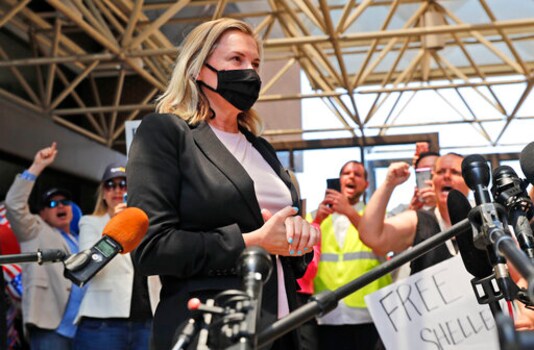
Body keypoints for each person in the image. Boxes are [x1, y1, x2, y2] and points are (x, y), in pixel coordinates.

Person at [127, 18, 319, 350]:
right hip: (211, 328)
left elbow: (280, 242)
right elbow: (150, 249)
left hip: (282, 326)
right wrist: (250, 242)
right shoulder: (166, 133)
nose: (251, 72)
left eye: (255, 63)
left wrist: (299, 236)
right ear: (199, 68)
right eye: (237, 60)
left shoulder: (261, 148)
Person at [4, 142, 84, 350]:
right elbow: (14, 204)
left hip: (86, 326)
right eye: (51, 203)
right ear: (41, 213)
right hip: (52, 326)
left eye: (64, 202)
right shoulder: (35, 230)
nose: (60, 206)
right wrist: (37, 166)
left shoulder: (81, 238)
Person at [73, 163, 161, 350]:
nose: (117, 190)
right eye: (110, 185)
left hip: (147, 320)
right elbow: (90, 267)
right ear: (103, 193)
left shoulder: (149, 224)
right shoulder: (90, 222)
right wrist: (118, 226)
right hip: (103, 322)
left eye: (123, 184)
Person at [311, 161, 392, 350]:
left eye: (357, 174)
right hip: (327, 314)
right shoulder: (315, 216)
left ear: (366, 184)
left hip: (371, 315)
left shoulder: (379, 218)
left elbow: (383, 248)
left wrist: (349, 211)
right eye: (346, 173)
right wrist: (317, 221)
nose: (351, 177)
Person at [358, 153, 470, 274]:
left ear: (469, 181)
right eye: (441, 172)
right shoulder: (419, 220)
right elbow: (372, 236)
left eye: (455, 172)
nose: (447, 176)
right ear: (433, 180)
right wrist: (388, 184)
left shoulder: (481, 217)